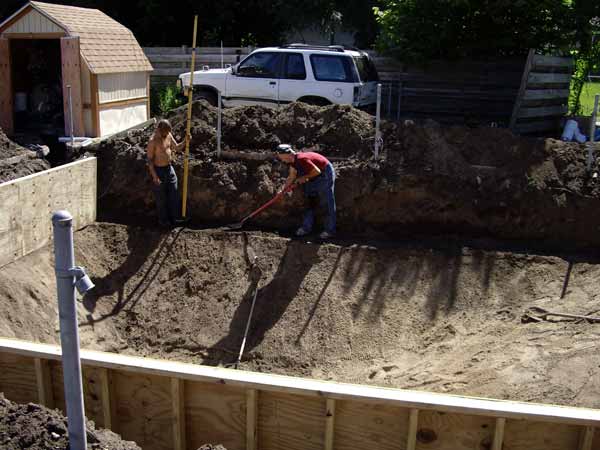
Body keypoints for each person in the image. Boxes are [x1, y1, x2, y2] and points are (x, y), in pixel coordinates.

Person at [275, 144, 336, 239]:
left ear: (288, 154)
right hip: (312, 176)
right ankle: (306, 228)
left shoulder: (302, 159)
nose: (282, 160)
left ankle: (329, 230)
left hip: (325, 173)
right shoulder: (292, 162)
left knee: (327, 202)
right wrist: (283, 190)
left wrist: (304, 177)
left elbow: (317, 171)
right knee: (309, 202)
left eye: (282, 158)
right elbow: (291, 176)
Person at [146, 119, 187, 227]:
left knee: (174, 193)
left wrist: (186, 141)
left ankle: (175, 218)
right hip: (158, 171)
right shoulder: (152, 141)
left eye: (168, 131)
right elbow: (149, 161)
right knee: (161, 198)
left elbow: (177, 148)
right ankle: (163, 221)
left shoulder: (168, 135)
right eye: (165, 131)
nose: (167, 133)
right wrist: (155, 177)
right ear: (159, 129)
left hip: (169, 169)